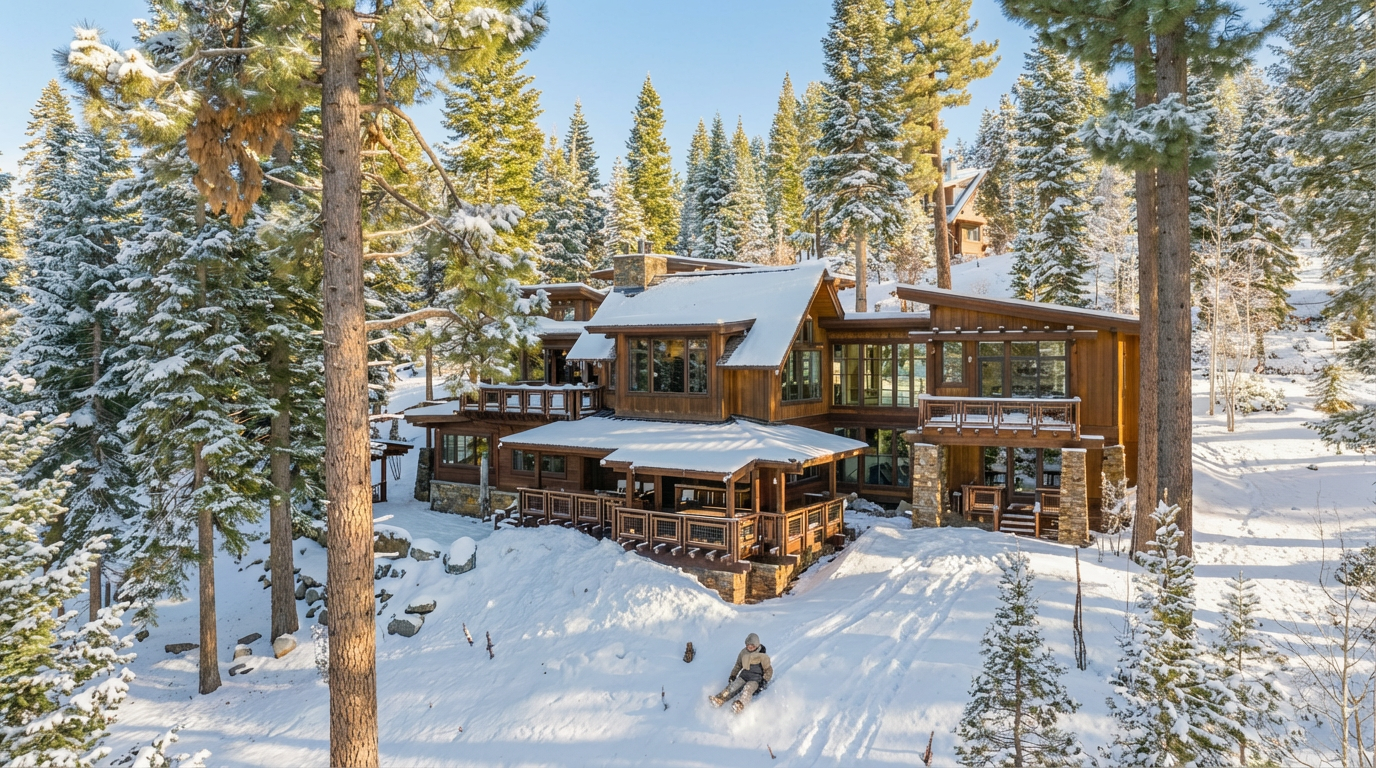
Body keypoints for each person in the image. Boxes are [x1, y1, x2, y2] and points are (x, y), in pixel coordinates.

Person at [709, 633, 773, 713]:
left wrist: (764, 681)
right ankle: (720, 698)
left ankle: (740, 704)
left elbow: (768, 670)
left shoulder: (763, 656)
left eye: (752, 646)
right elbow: (738, 665)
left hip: (755, 679)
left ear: (756, 645)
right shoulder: (743, 652)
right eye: (748, 646)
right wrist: (733, 675)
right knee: (733, 686)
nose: (749, 648)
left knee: (747, 689)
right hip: (744, 676)